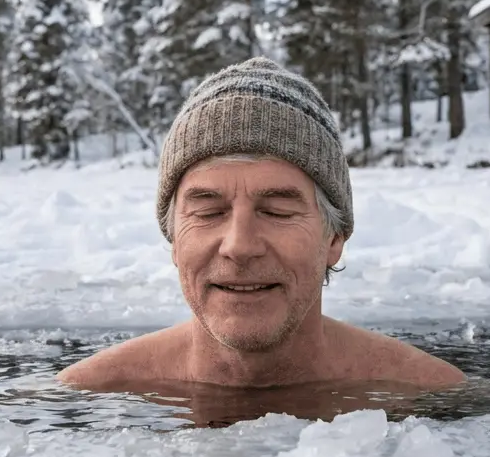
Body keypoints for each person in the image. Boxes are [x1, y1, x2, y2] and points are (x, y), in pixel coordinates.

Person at [57, 57, 465, 392]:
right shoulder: (89, 394)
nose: (239, 245)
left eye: (277, 212)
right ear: (174, 240)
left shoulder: (431, 394)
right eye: (208, 212)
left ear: (334, 238)